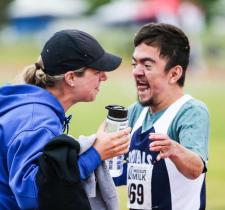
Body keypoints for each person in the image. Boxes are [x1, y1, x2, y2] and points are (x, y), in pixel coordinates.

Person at [0, 29, 131, 209]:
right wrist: (95, 154)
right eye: (97, 71)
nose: (104, 77)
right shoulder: (36, 121)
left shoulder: (33, 110)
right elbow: (34, 195)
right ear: (71, 78)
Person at [114, 23, 209, 210]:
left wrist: (174, 149)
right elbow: (123, 171)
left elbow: (196, 168)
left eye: (147, 65)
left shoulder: (190, 112)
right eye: (134, 64)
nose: (136, 72)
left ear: (174, 73)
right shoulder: (136, 111)